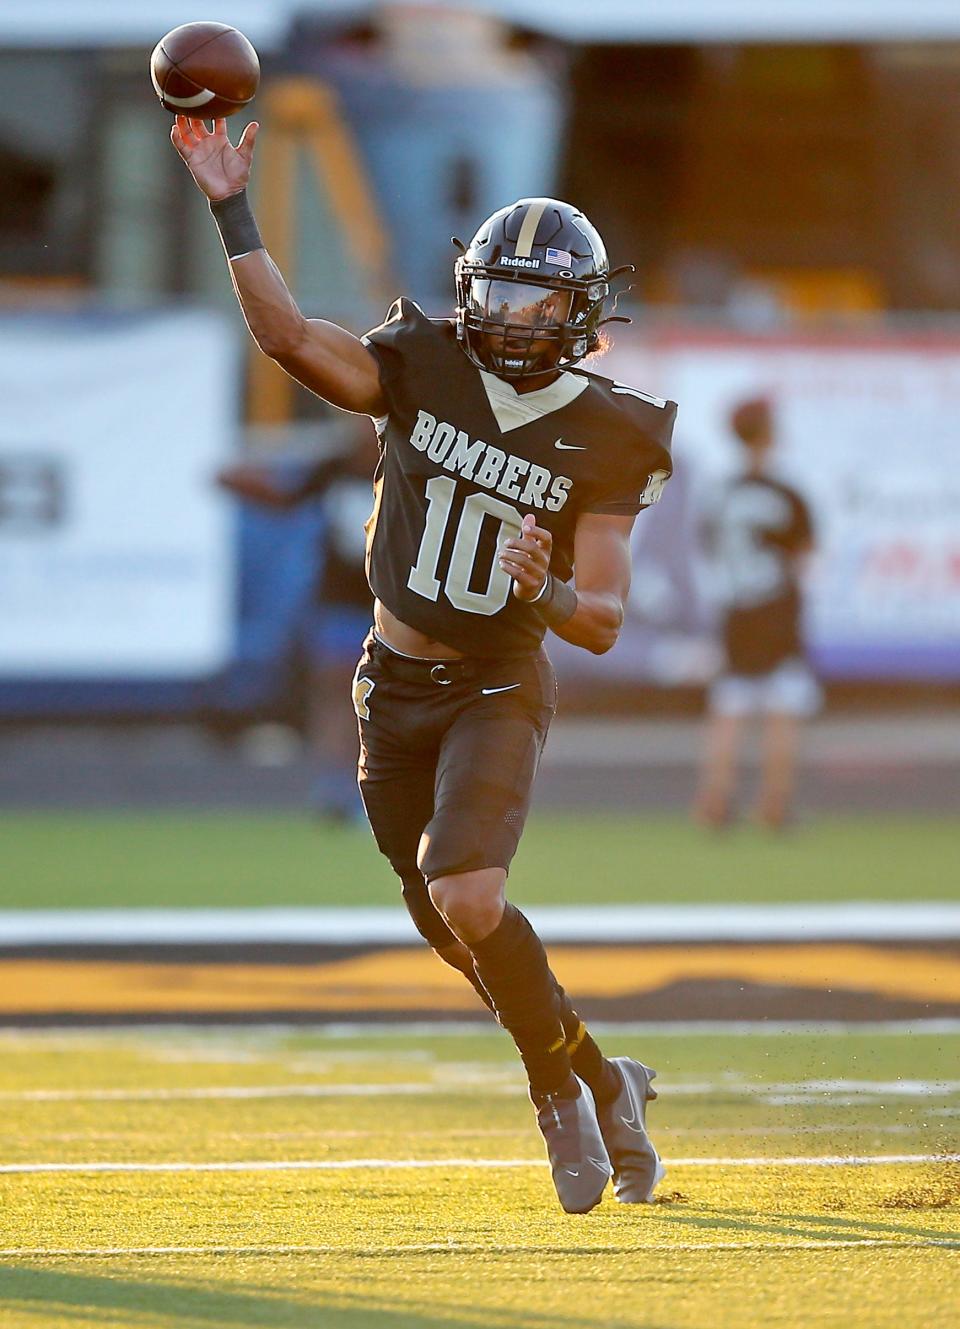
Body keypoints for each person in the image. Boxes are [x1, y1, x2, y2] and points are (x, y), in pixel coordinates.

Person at [171, 114, 676, 1214]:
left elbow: (600, 619)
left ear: (580, 316)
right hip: (388, 682)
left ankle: (556, 1101)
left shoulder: (611, 432)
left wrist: (539, 585)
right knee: (456, 929)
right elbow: (291, 340)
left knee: (469, 891)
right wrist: (230, 206)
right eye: (497, 292)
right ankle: (607, 1076)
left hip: (496, 680)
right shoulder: (422, 360)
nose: (508, 317)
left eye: (537, 301)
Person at [218, 423, 378, 820]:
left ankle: (381, 788)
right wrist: (242, 482)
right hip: (341, 603)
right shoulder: (334, 469)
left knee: (386, 699)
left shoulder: (408, 469)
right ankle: (336, 788)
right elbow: (285, 496)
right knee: (337, 694)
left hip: (394, 605)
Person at [694, 396, 819, 830]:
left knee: (730, 705)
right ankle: (774, 805)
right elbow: (805, 556)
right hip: (777, 609)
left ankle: (714, 802)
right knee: (782, 706)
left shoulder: (721, 492)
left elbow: (708, 549)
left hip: (736, 610)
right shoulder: (785, 493)